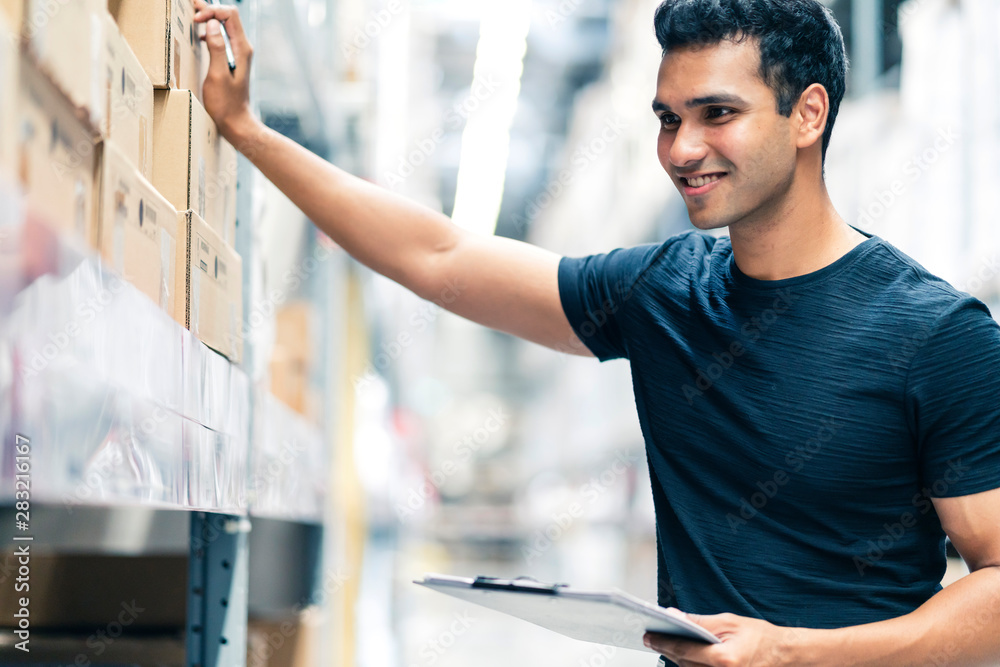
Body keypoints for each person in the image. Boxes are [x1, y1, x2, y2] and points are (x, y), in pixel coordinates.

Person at [192, 0, 1000, 663]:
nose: (683, 150)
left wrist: (794, 651)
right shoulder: (663, 292)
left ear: (807, 114)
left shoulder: (936, 335)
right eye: (667, 119)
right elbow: (440, 255)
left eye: (717, 114)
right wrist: (249, 131)